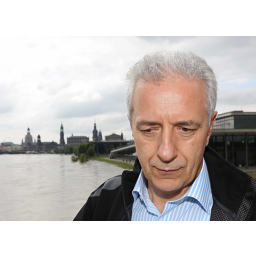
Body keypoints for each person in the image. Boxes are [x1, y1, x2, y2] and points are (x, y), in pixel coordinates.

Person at [74, 50, 256, 221]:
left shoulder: (250, 208)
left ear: (210, 127)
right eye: (149, 130)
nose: (166, 153)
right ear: (131, 125)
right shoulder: (102, 203)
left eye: (185, 129)